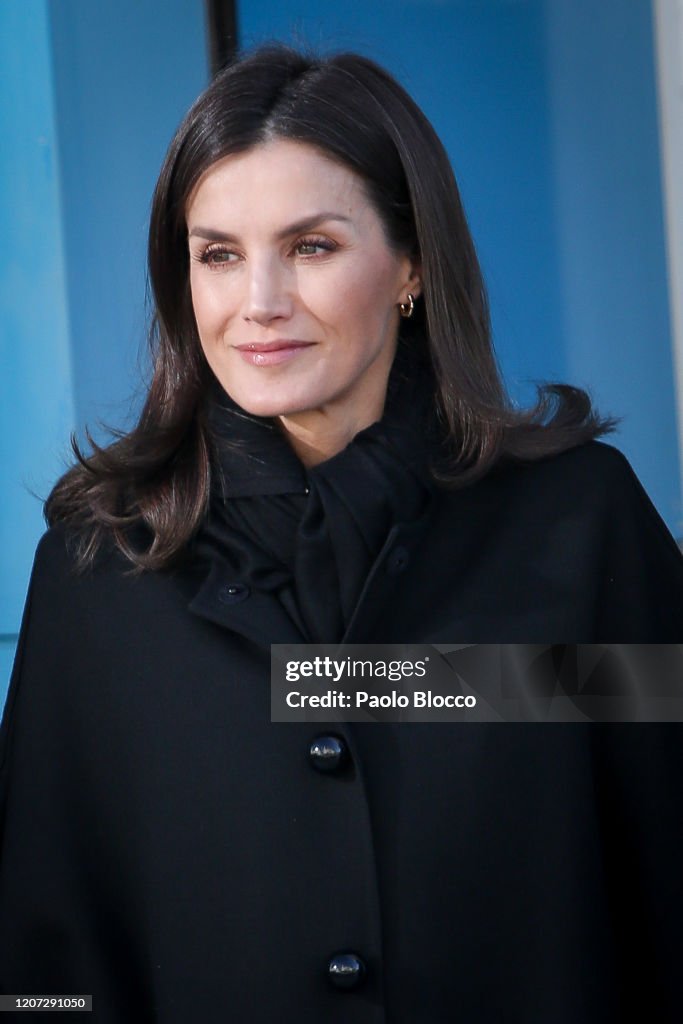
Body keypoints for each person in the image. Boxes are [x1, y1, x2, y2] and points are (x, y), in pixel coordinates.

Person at [1, 44, 682, 1023]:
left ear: (409, 265)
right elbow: (44, 957)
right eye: (218, 254)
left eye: (310, 246)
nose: (258, 303)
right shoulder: (97, 571)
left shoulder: (578, 530)